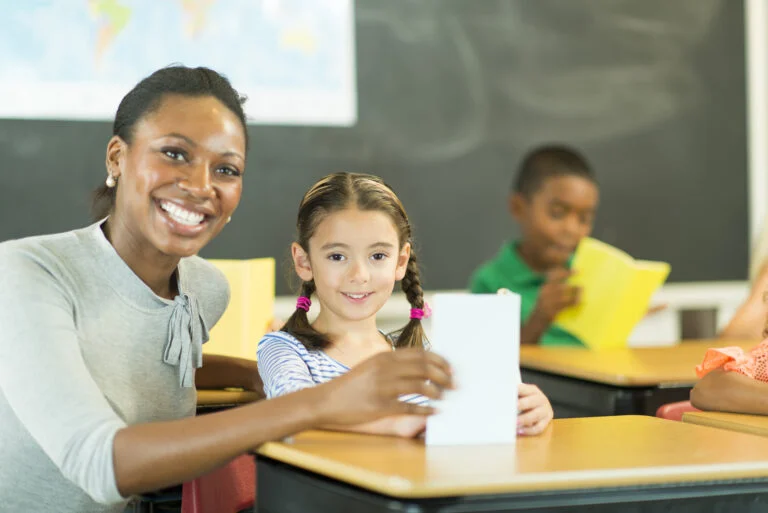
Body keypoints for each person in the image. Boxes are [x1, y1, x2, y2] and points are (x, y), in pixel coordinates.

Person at [0, 66, 452, 513]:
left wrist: (257, 374)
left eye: (226, 169)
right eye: (174, 153)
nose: (201, 186)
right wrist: (319, 401)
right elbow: (99, 463)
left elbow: (148, 367)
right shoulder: (28, 271)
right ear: (117, 157)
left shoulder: (204, 287)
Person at [258, 172, 553, 438]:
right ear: (304, 261)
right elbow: (291, 407)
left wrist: (528, 412)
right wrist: (392, 425)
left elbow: (472, 422)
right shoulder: (283, 348)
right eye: (337, 256)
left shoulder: (419, 357)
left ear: (400, 261)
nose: (359, 275)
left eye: (377, 256)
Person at [469, 144, 599, 346]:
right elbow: (489, 365)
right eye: (557, 213)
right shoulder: (490, 282)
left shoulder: (590, 275)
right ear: (518, 207)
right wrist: (539, 319)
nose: (571, 229)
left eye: (584, 219)